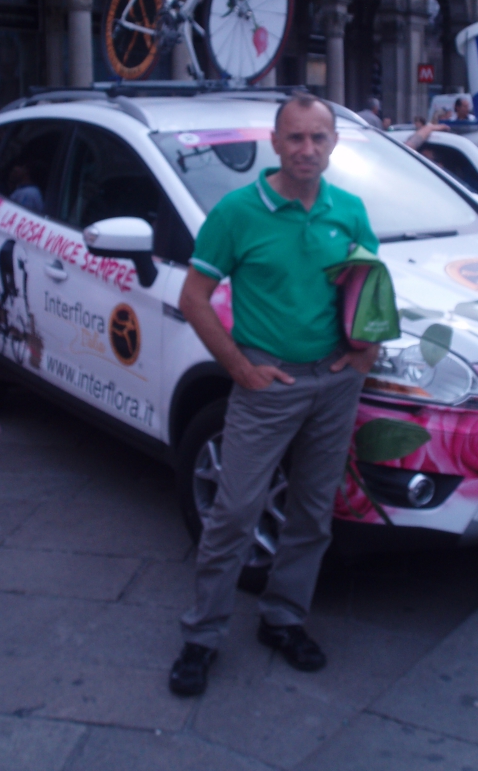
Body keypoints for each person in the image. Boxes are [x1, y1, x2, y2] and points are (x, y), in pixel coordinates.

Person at [170, 91, 380, 697]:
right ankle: (202, 636)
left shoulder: (349, 210)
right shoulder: (237, 213)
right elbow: (193, 299)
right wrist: (240, 368)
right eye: (295, 137)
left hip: (333, 383)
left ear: (333, 143)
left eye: (318, 137)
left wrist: (364, 353)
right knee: (235, 512)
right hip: (267, 383)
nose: (307, 148)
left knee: (312, 512)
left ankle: (283, 619)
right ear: (275, 142)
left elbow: (368, 286)